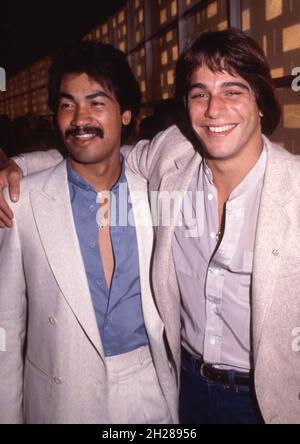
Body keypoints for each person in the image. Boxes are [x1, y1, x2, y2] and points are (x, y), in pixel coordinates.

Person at [1, 29, 300, 424]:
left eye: (232, 91)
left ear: (261, 101)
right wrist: (17, 166)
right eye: (199, 94)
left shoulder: (291, 192)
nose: (213, 109)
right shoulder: (171, 161)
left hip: (264, 400)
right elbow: (101, 152)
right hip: (184, 391)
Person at [0, 41, 178, 424]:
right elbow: (5, 328)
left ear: (126, 114)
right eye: (67, 105)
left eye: (96, 102)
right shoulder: (21, 201)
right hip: (61, 399)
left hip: (152, 394)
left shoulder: (157, 192)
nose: (80, 118)